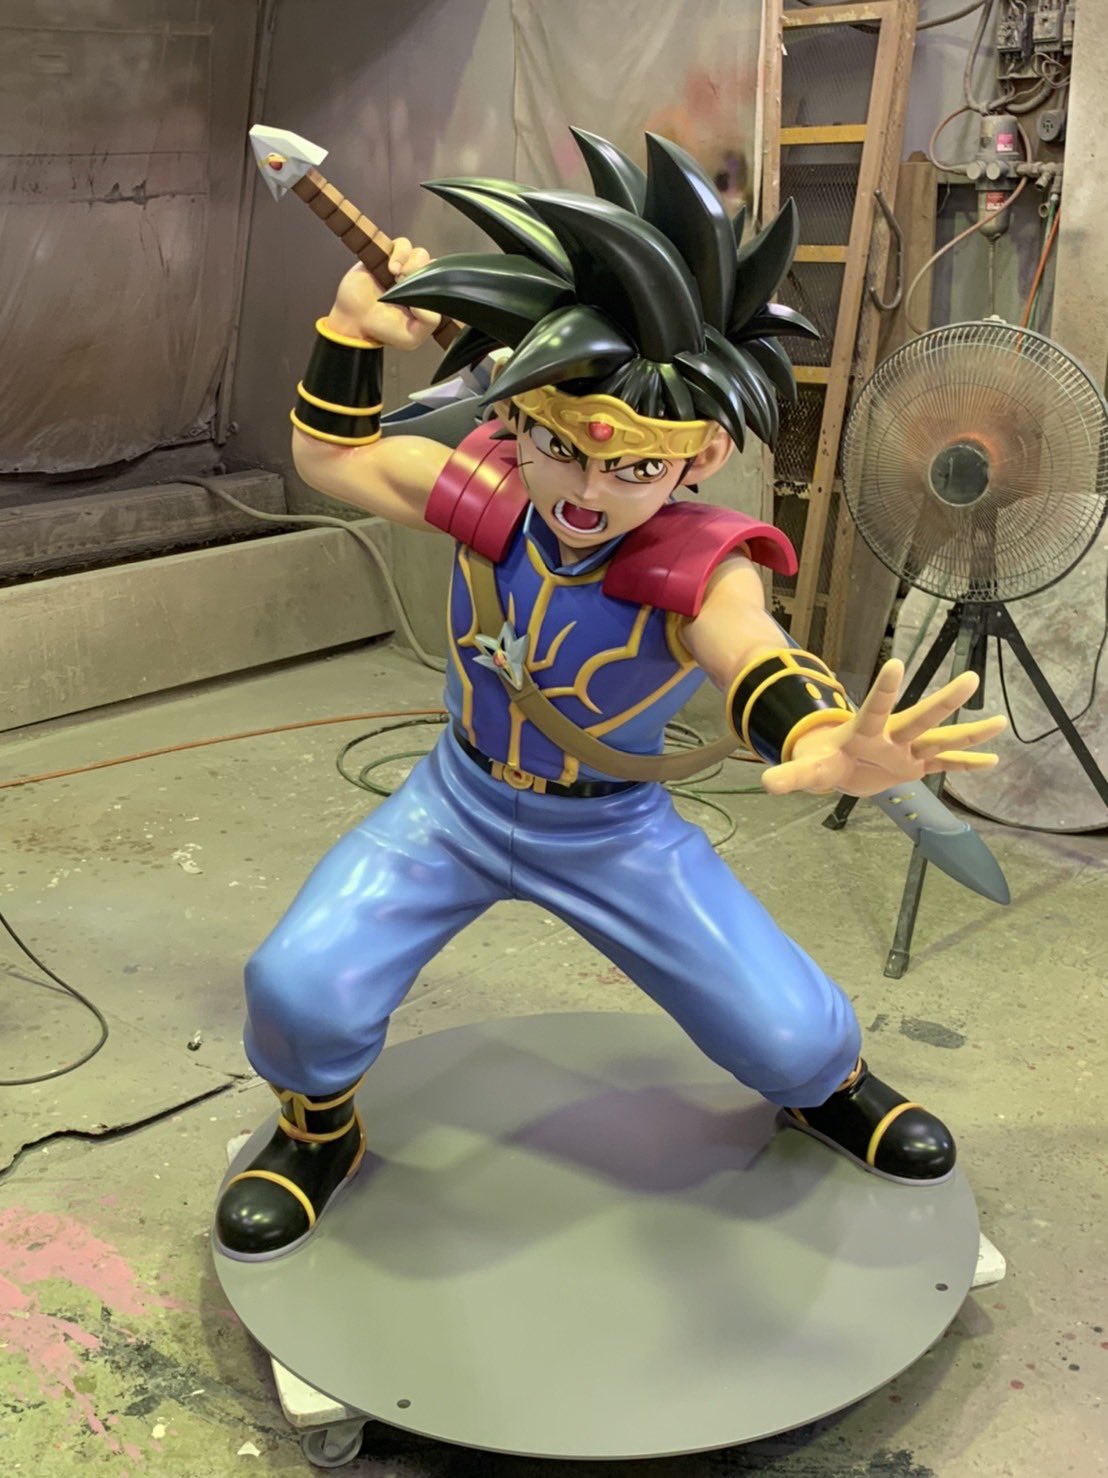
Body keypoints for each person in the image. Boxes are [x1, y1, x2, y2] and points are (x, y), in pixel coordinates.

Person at [215, 130, 1004, 1262]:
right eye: (563, 449)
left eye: (633, 466)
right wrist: (347, 329)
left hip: (610, 830)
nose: (588, 493)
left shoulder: (695, 562)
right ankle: (317, 1130)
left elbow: (749, 645)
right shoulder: (489, 490)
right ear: (517, 417)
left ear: (700, 456)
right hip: (457, 804)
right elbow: (332, 458)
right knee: (297, 987)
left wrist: (825, 733)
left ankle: (828, 1091)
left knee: (793, 1035)